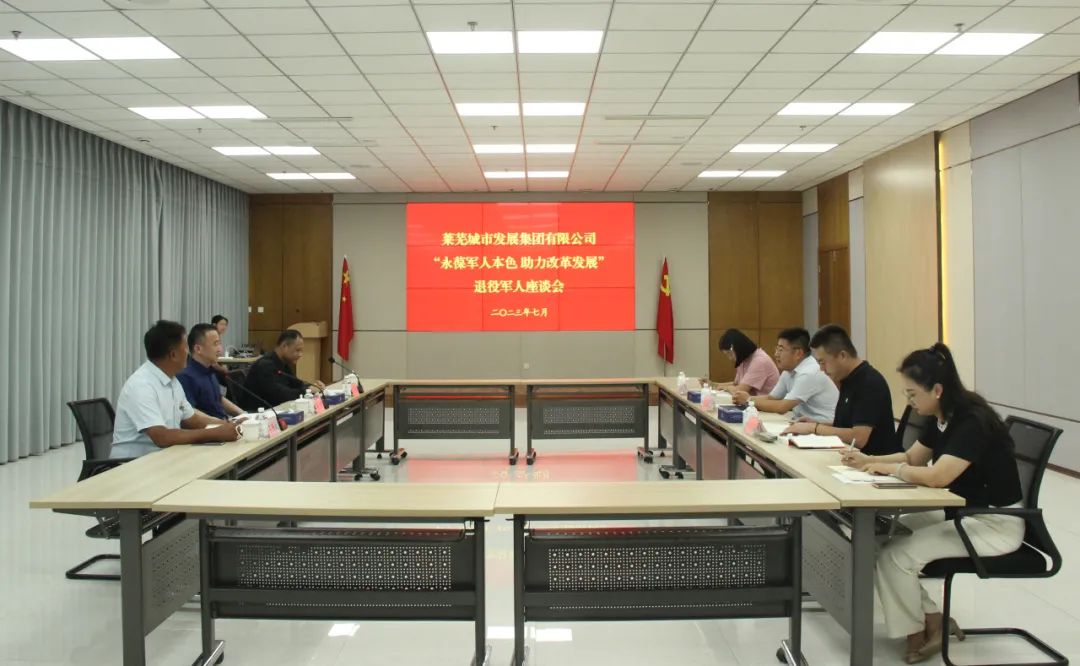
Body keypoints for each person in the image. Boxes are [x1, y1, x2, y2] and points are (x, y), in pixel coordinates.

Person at [842, 343, 1024, 663]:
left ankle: (916, 631)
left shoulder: (972, 421)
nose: (908, 401)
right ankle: (933, 619)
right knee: (874, 534)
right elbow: (914, 458)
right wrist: (869, 461)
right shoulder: (942, 414)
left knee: (896, 556)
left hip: (992, 524)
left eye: (912, 394)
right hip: (963, 513)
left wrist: (889, 469)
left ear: (937, 390)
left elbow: (938, 476)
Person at [111, 320, 240, 458]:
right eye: (185, 348)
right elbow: (162, 437)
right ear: (173, 355)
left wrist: (227, 425)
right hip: (133, 463)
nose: (188, 353)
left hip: (164, 456)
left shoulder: (172, 381)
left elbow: (191, 419)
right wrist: (214, 433)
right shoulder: (142, 385)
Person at [782, 324, 901, 456]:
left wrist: (814, 428)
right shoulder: (846, 379)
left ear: (842, 356)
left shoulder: (869, 382)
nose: (821, 369)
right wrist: (817, 423)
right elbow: (846, 425)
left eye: (822, 362)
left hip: (871, 461)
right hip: (849, 456)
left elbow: (859, 438)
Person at [732, 327, 838, 422]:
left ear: (798, 353)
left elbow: (782, 407)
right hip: (803, 423)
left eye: (781, 349)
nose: (776, 354)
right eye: (777, 349)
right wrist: (745, 398)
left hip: (824, 428)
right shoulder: (789, 370)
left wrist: (749, 400)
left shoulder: (809, 373)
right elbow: (772, 398)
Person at [240, 329, 326, 410]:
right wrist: (308, 391)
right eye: (297, 350)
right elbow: (281, 395)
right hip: (258, 414)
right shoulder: (265, 365)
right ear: (285, 346)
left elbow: (296, 384)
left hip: (277, 409)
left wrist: (313, 387)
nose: (300, 354)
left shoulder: (283, 363)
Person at [177, 323, 243, 419]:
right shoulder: (185, 376)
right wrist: (223, 424)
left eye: (219, 343)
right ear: (198, 349)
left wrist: (244, 414)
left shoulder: (209, 370)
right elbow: (190, 413)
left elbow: (218, 398)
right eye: (215, 344)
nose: (220, 349)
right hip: (209, 427)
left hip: (223, 422)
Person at [713, 328, 779, 396]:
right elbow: (736, 384)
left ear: (738, 348)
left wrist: (726, 388)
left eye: (730, 353)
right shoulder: (743, 359)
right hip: (752, 401)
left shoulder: (759, 361)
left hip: (762, 402)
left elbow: (739, 391)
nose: (730, 358)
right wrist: (714, 385)